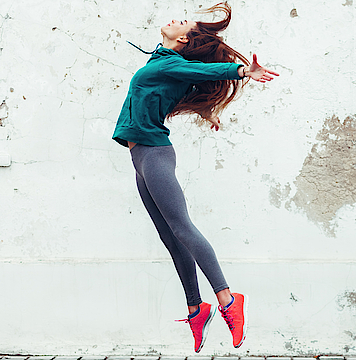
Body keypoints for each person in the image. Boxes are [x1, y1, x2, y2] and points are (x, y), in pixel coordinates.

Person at [111, 2, 279, 353]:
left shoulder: (173, 63)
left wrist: (242, 72)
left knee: (183, 228)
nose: (174, 19)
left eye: (182, 21)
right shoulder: (161, 61)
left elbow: (204, 74)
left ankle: (229, 300)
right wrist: (206, 109)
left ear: (184, 37)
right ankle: (196, 308)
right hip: (141, 156)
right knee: (171, 237)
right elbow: (178, 88)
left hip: (153, 154)